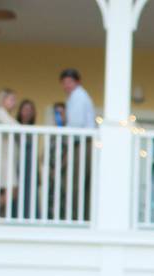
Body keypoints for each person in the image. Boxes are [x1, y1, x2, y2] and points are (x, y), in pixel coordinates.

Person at [59, 69, 96, 220]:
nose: (67, 85)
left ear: (77, 82)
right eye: (64, 82)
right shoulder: (77, 97)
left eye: (70, 82)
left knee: (74, 183)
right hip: (81, 143)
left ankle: (74, 217)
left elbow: (76, 123)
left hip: (81, 143)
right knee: (81, 184)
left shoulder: (78, 97)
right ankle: (82, 217)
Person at [0, 89, 19, 216]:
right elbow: (15, 127)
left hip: (8, 158)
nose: (14, 103)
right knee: (12, 191)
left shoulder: (4, 113)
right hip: (3, 159)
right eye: (11, 99)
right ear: (2, 100)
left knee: (5, 191)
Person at [16, 99, 37, 217]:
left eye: (30, 110)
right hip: (16, 165)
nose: (28, 112)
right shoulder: (14, 126)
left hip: (29, 167)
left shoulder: (33, 129)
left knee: (29, 194)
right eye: (25, 109)